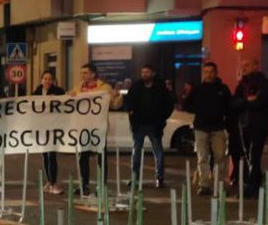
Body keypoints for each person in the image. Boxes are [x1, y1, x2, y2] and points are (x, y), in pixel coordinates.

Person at [120, 64, 174, 189]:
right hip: (138, 124)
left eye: (147, 72)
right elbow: (128, 101)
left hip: (155, 125)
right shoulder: (136, 86)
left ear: (153, 73)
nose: (145, 74)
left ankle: (160, 178)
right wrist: (130, 112)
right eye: (143, 72)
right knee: (136, 152)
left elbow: (168, 104)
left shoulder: (160, 87)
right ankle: (135, 178)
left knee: (158, 152)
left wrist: (162, 118)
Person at [182, 62, 231, 196]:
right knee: (202, 157)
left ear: (216, 73)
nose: (209, 74)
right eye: (206, 72)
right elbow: (186, 104)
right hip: (201, 127)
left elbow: (229, 105)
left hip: (218, 127)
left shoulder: (223, 89)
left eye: (211, 71)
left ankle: (219, 184)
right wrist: (199, 110)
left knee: (220, 156)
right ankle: (204, 184)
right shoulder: (198, 89)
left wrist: (223, 114)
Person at [70, 64, 113, 197]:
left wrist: (117, 97)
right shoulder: (78, 88)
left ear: (93, 74)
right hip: (83, 127)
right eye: (81, 73)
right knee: (82, 156)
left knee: (101, 157)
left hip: (98, 127)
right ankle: (84, 185)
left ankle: (101, 185)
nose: (83, 75)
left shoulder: (104, 88)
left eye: (85, 73)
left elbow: (113, 104)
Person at [230, 57, 268, 196]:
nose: (244, 68)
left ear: (255, 65)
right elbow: (234, 103)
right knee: (247, 155)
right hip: (244, 125)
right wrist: (247, 100)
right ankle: (251, 183)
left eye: (247, 64)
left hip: (258, 124)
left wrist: (244, 102)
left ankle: (254, 185)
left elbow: (260, 102)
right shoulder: (242, 85)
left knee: (255, 155)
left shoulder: (263, 83)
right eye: (242, 65)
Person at [33, 70, 66, 194]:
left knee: (52, 155)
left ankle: (53, 183)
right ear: (41, 80)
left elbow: (65, 103)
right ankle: (49, 181)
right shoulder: (36, 92)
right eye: (45, 78)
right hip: (42, 128)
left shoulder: (59, 91)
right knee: (45, 155)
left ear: (53, 80)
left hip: (54, 128)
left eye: (49, 79)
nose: (47, 81)